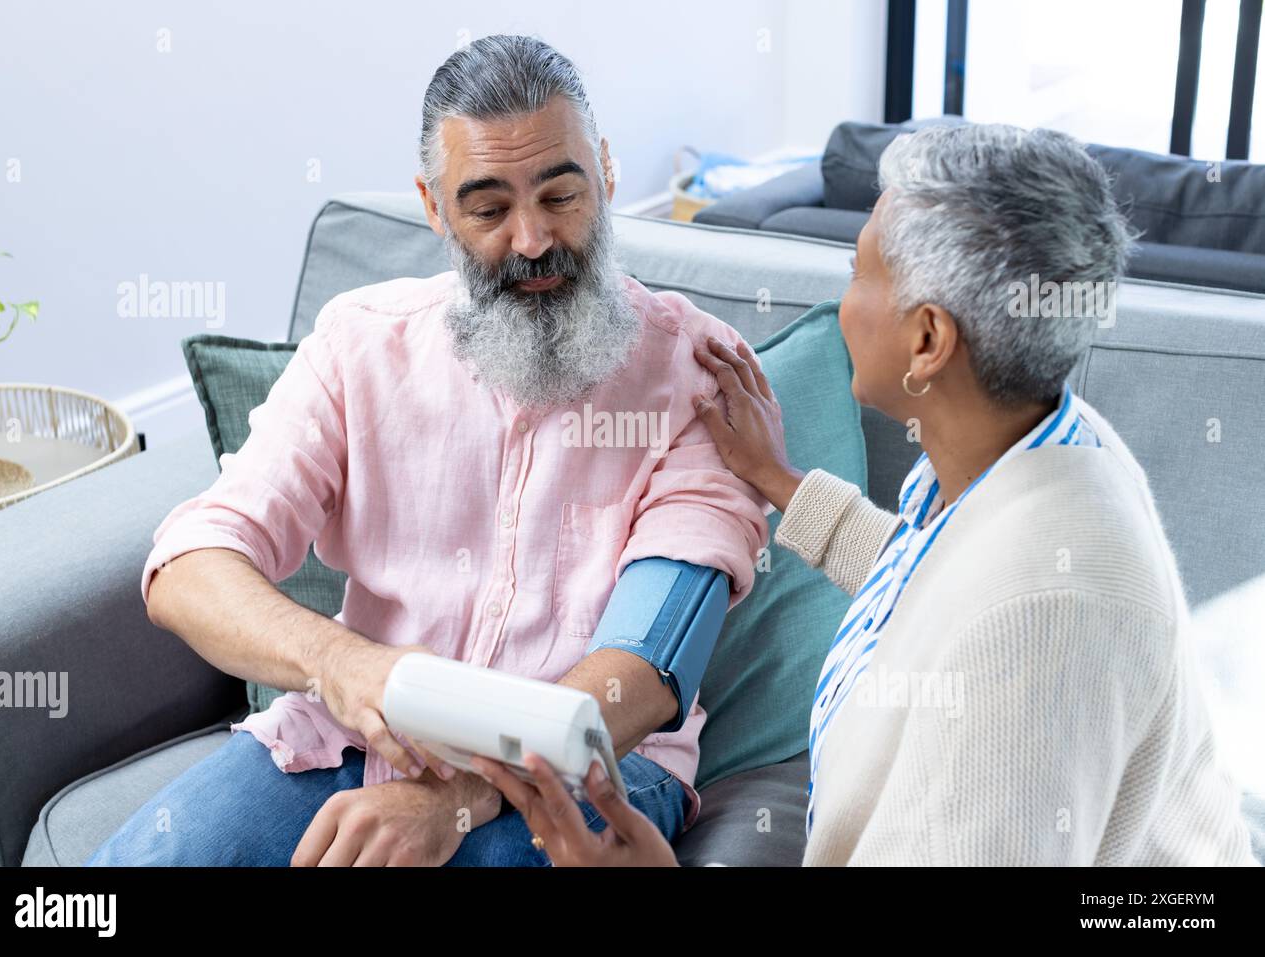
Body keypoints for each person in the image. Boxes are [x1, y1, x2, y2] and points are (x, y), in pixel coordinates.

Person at [471, 122, 1257, 866]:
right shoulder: (1033, 443)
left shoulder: (1038, 621)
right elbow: (934, 584)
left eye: (859, 271)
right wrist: (778, 479)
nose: (843, 298)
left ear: (927, 340)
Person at [85, 35, 768, 867]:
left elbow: (648, 669)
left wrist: (456, 800)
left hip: (596, 771)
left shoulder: (699, 373)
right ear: (434, 206)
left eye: (561, 194)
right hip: (352, 739)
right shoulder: (358, 345)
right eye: (487, 209)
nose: (531, 238)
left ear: (608, 174)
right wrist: (341, 661)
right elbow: (190, 565)